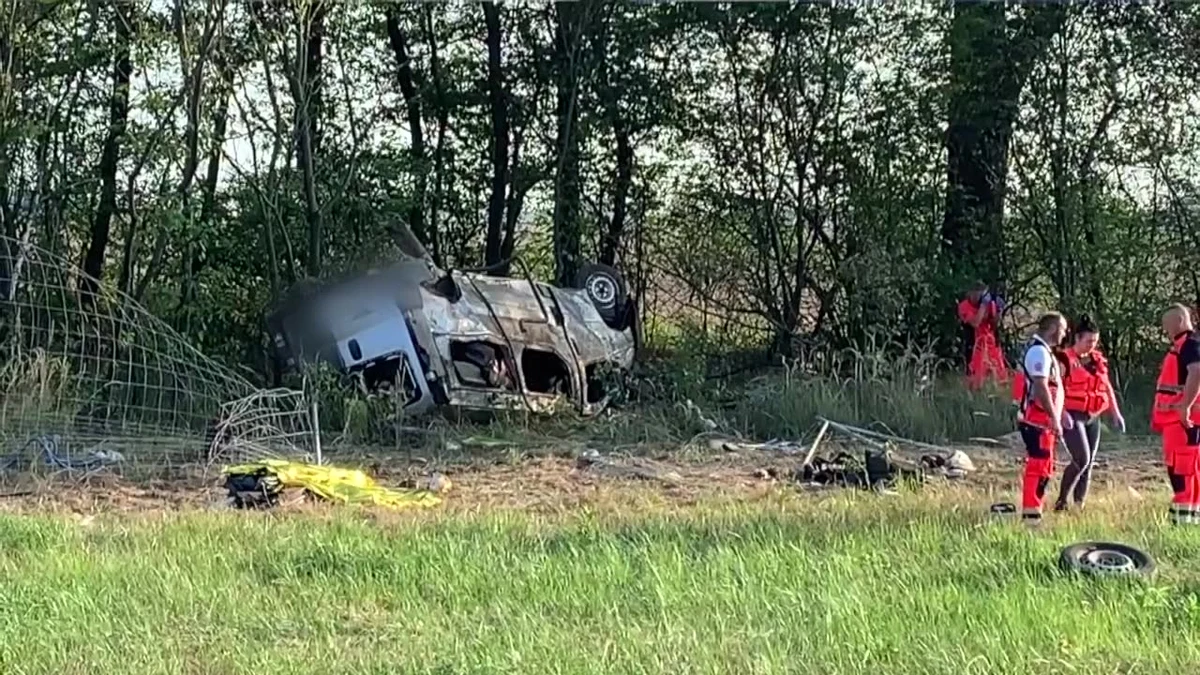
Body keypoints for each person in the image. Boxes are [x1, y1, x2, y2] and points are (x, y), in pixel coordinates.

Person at [1053, 314, 1126, 512]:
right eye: (1088, 341)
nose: (1092, 345)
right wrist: (1061, 413)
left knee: (1089, 463)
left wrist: (1115, 413)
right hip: (1072, 415)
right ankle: (1061, 501)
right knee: (1081, 459)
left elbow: (1106, 386)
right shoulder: (1063, 360)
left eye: (1095, 341)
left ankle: (1079, 505)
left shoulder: (1097, 360)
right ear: (1077, 338)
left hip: (1093, 416)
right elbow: (1054, 389)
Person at [1016, 312, 1070, 523]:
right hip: (1036, 420)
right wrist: (1053, 416)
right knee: (1038, 467)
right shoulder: (1039, 352)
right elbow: (1041, 387)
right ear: (1054, 329)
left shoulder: (1046, 352)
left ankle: (1035, 510)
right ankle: (1031, 515)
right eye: (1063, 330)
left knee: (1045, 467)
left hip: (1044, 421)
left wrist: (1059, 414)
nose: (1064, 335)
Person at [1150, 304, 1200, 525]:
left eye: (1167, 324)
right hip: (1181, 420)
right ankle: (1188, 519)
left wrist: (1185, 406)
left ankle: (1182, 521)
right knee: (1189, 470)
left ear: (1180, 320)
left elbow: (1197, 371)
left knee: (1181, 470)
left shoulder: (1189, 345)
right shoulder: (1186, 346)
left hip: (1181, 421)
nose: (1165, 330)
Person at [957, 283, 1009, 389]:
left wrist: (997, 310)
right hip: (974, 344)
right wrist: (984, 305)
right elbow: (976, 322)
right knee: (974, 377)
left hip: (991, 343)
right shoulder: (964, 306)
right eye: (976, 295)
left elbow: (994, 324)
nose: (978, 298)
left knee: (1000, 377)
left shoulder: (989, 303)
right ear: (969, 294)